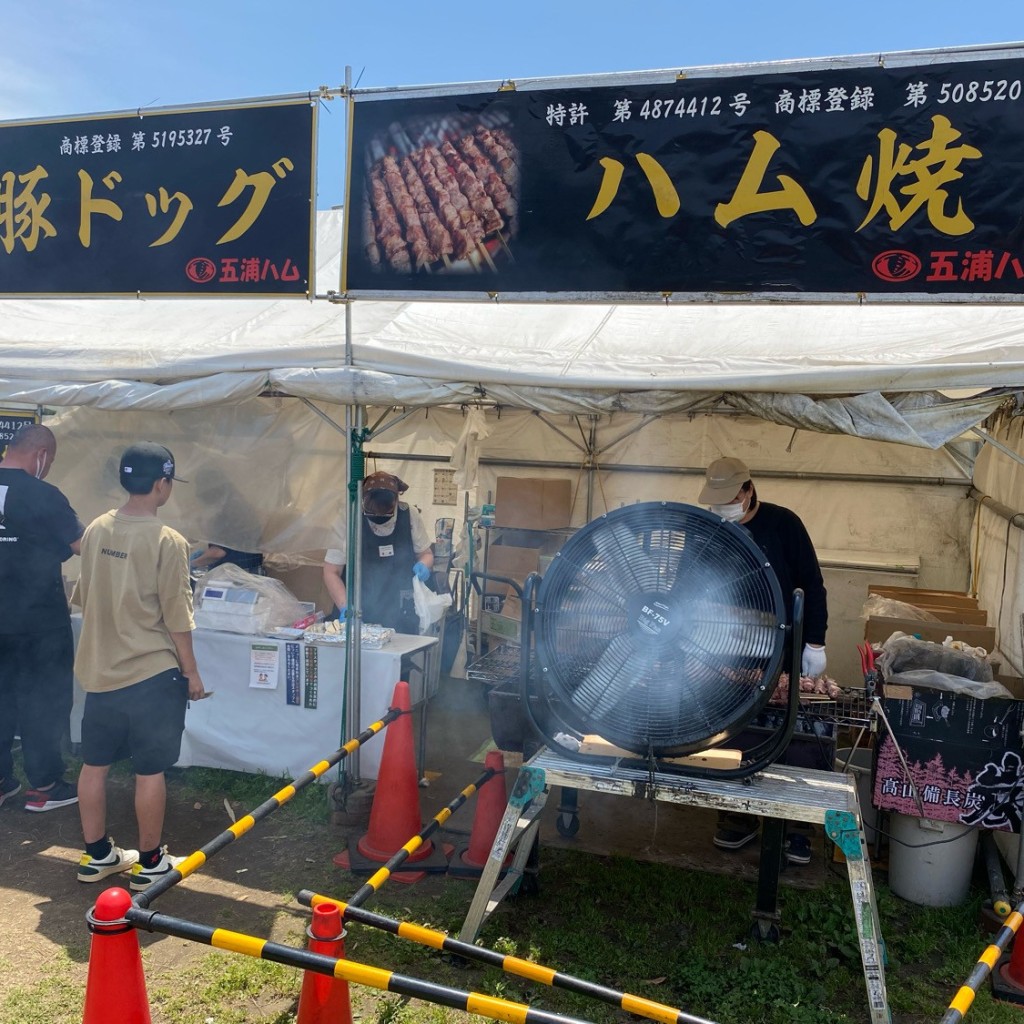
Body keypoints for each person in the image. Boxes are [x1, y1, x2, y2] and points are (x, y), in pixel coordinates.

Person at [73, 442, 206, 889]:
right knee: (150, 770)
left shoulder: (95, 529)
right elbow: (177, 617)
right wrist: (192, 672)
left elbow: (86, 593)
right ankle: (150, 863)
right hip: (151, 674)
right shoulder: (168, 541)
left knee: (94, 764)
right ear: (160, 484)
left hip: (100, 670)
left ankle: (97, 856)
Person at [698, 456, 828, 866]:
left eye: (728, 500)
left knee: (789, 728)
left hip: (781, 641)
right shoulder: (711, 531)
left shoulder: (783, 524)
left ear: (747, 490)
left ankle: (796, 824)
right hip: (729, 643)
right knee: (735, 727)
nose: (722, 509)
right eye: (716, 502)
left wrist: (816, 643)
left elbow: (813, 584)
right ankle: (738, 815)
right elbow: (690, 581)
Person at [0, 424, 84, 813]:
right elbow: (81, 545)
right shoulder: (45, 496)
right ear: (42, 456)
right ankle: (46, 785)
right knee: (44, 701)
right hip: (39, 622)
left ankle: (3, 782)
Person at [322, 471, 434, 635]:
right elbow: (331, 571)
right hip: (358, 605)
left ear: (396, 500)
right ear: (363, 500)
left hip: (400, 609)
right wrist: (345, 607)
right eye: (373, 510)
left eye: (385, 511)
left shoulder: (409, 514)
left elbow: (426, 554)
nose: (378, 516)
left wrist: (424, 565)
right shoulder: (349, 516)